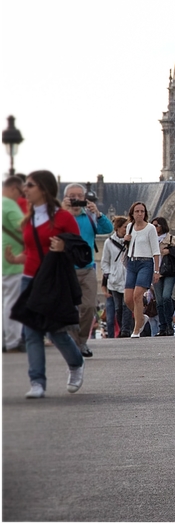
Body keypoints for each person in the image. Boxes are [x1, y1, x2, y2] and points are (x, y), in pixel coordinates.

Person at [4, 170, 85, 398]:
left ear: (43, 189)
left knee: (56, 331)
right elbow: (32, 251)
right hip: (29, 280)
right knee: (31, 332)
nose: (25, 189)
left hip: (51, 282)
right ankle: (37, 382)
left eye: (29, 185)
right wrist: (16, 259)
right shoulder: (28, 219)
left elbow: (81, 251)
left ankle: (76, 363)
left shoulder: (63, 218)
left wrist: (63, 248)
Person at [62, 183, 113, 357]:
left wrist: (98, 213)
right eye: (72, 196)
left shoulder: (90, 217)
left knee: (89, 307)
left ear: (84, 199)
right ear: (66, 198)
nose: (76, 199)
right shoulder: (60, 216)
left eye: (79, 196)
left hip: (87, 268)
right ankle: (74, 343)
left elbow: (108, 229)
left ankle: (81, 341)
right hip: (65, 269)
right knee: (69, 309)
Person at [123, 202, 160, 338]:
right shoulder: (129, 227)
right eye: (137, 211)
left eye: (142, 211)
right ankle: (142, 319)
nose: (140, 214)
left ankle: (136, 329)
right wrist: (126, 240)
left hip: (146, 263)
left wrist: (156, 271)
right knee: (128, 299)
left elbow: (156, 251)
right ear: (132, 213)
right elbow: (129, 247)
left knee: (137, 295)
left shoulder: (150, 228)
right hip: (132, 263)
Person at [2, 176, 26, 351]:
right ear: (13, 188)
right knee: (12, 302)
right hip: (12, 259)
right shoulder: (9, 204)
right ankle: (12, 340)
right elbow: (23, 228)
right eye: (20, 192)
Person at [100, 215, 132, 338]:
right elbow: (105, 262)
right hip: (114, 280)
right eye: (125, 227)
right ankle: (122, 327)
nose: (126, 229)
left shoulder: (130, 241)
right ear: (118, 228)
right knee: (118, 308)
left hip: (128, 277)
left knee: (126, 305)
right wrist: (109, 275)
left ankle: (125, 330)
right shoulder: (109, 243)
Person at [150, 217, 175, 337]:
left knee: (166, 297)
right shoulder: (150, 240)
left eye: (156, 225)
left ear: (162, 226)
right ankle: (162, 327)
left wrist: (170, 251)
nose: (154, 227)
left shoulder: (171, 239)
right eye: (152, 225)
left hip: (169, 272)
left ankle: (169, 325)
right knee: (159, 301)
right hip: (155, 272)